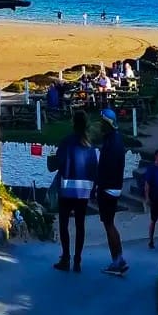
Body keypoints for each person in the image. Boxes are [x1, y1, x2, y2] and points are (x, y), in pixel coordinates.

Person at [48, 110, 98, 273]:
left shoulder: (66, 142)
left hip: (67, 189)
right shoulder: (90, 146)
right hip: (83, 191)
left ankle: (66, 257)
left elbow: (59, 163)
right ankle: (78, 259)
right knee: (80, 226)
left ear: (73, 123)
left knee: (64, 224)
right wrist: (93, 189)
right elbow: (94, 169)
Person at [97, 108, 129, 275]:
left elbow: (105, 168)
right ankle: (119, 258)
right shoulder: (116, 140)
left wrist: (99, 185)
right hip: (115, 187)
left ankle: (117, 260)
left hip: (108, 188)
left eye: (102, 123)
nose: (100, 126)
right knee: (110, 223)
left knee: (108, 224)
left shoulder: (111, 143)